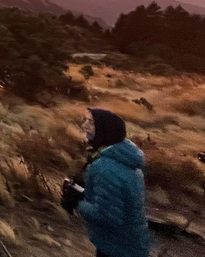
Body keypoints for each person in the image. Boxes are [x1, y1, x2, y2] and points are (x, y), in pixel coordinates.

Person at [62, 108, 151, 257]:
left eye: (90, 122)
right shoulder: (125, 157)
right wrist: (84, 192)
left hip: (117, 248)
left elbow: (107, 217)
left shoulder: (105, 167)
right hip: (131, 243)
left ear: (104, 129)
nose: (84, 126)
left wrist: (77, 202)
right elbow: (115, 203)